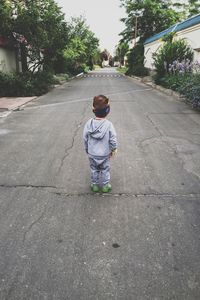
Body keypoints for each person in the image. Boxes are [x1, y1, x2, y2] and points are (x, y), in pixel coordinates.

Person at [83, 95, 117, 193]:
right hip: (105, 154)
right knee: (105, 170)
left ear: (93, 109)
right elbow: (113, 139)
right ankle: (106, 186)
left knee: (94, 169)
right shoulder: (109, 125)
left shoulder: (88, 124)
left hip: (92, 153)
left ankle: (95, 185)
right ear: (107, 110)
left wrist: (87, 149)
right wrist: (113, 149)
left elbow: (85, 138)